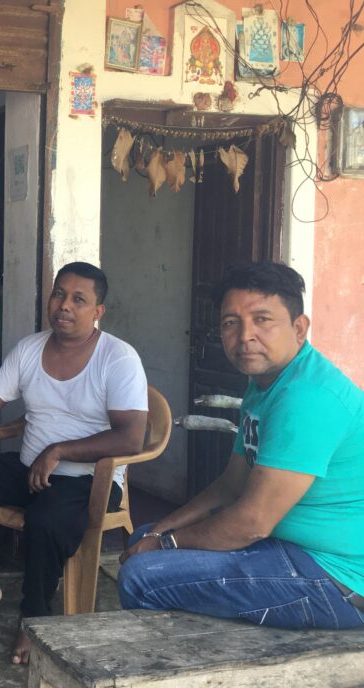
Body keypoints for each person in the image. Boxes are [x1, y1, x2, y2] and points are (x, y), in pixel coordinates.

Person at [118, 261, 364, 630]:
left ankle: (182, 669)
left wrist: (166, 545)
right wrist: (159, 534)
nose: (245, 335)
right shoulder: (264, 383)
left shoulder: (307, 398)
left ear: (299, 328)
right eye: (231, 322)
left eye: (262, 319)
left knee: (143, 574)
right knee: (143, 537)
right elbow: (231, 485)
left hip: (335, 579)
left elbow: (252, 522)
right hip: (286, 548)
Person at [0, 262, 148, 664]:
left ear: (98, 311)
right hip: (30, 469)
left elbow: (132, 436)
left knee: (45, 521)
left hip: (89, 481)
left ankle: (34, 617)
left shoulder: (118, 357)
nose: (64, 305)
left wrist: (60, 451)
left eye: (78, 299)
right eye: (59, 294)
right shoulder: (30, 348)